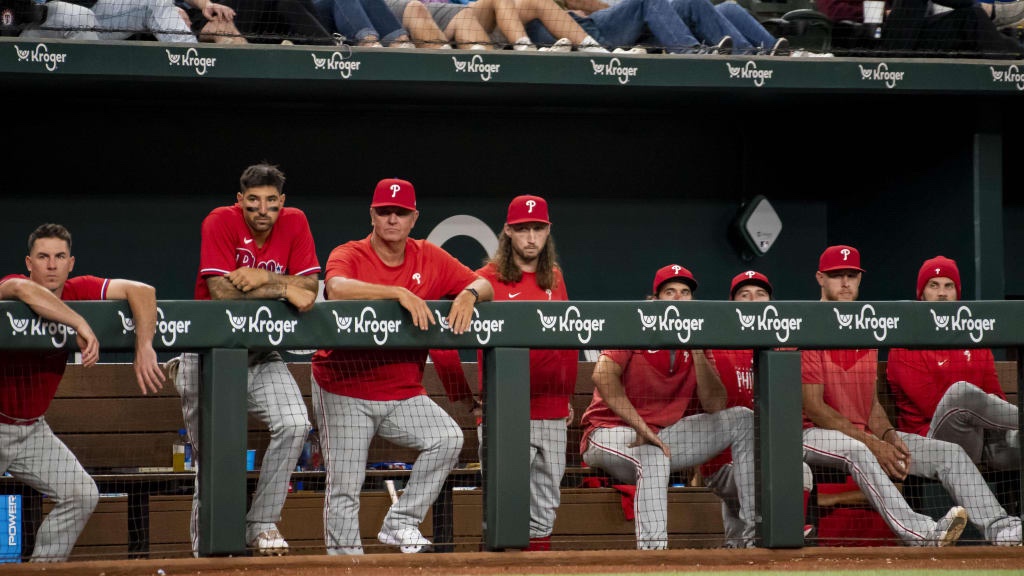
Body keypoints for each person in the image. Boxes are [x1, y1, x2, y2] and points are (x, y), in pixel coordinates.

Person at [310, 177, 493, 555]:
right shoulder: (351, 252)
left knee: (447, 438)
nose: (392, 219)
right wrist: (397, 292)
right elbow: (337, 288)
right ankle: (345, 566)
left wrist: (469, 293)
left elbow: (485, 284)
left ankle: (401, 523)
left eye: (401, 212)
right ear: (372, 215)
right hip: (344, 387)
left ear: (414, 218)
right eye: (385, 212)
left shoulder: (429, 256)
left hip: (401, 392)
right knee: (345, 486)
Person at [801, 245, 1021, 546]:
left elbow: (871, 406)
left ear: (860, 279)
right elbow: (815, 408)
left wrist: (889, 436)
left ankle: (1001, 528)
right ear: (820, 278)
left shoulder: (865, 329)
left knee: (949, 453)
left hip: (864, 435)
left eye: (851, 275)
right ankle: (923, 533)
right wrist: (874, 443)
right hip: (811, 434)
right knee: (860, 450)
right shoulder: (808, 326)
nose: (845, 283)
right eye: (837, 275)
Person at [173, 163, 321, 556]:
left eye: (271, 201)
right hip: (208, 354)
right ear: (240, 200)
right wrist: (283, 288)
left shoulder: (296, 222)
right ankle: (207, 555)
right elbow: (220, 291)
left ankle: (261, 522)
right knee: (214, 459)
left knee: (295, 424)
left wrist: (263, 278)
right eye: (253, 200)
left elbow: (309, 288)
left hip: (260, 353)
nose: (262, 209)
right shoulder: (220, 221)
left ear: (282, 202)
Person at [0, 223, 165, 562]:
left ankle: (43, 569)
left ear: (70, 262)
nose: (51, 265)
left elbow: (142, 290)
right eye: (42, 257)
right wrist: (79, 322)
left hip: (32, 432)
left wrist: (144, 345)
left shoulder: (79, 289)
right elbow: (20, 288)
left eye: (60, 257)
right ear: (29, 262)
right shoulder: (14, 286)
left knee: (81, 494)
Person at [579, 264, 755, 550]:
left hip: (662, 436)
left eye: (685, 292)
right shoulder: (635, 325)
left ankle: (754, 535)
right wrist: (641, 428)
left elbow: (715, 404)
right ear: (656, 299)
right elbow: (602, 376)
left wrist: (696, 348)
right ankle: (654, 554)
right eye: (670, 291)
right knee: (653, 454)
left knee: (743, 419)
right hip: (608, 432)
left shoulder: (698, 338)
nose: (678, 298)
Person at [477, 194, 577, 551]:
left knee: (545, 510)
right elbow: (450, 333)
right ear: (508, 231)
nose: (531, 238)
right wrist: (468, 397)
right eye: (523, 229)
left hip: (551, 410)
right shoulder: (486, 279)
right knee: (502, 509)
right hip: (505, 412)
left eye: (538, 229)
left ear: (548, 231)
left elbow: (567, 341)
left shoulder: (555, 278)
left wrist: (566, 397)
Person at [699, 270, 813, 547]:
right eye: (745, 295)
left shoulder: (781, 349)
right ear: (732, 303)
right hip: (720, 461)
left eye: (760, 294)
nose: (753, 301)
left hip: (763, 455)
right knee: (775, 475)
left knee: (790, 472)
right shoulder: (716, 346)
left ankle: (740, 546)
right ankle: (779, 533)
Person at [887, 255, 1019, 472]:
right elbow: (934, 408)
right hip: (930, 442)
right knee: (960, 394)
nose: (942, 293)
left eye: (949, 286)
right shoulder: (905, 345)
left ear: (957, 293)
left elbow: (995, 393)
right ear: (921, 294)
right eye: (934, 285)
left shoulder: (974, 340)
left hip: (982, 440)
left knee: (1016, 442)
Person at [20, 0, 201, 42]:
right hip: (44, 19)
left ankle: (193, 61)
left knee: (155, 3)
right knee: (80, 16)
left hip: (96, 12)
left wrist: (204, 3)